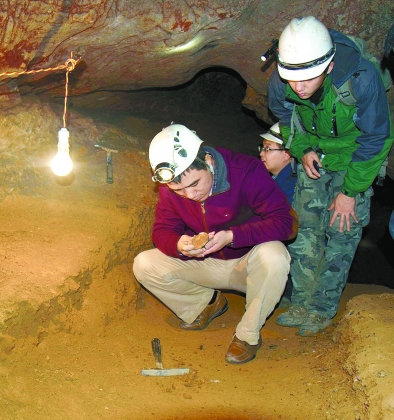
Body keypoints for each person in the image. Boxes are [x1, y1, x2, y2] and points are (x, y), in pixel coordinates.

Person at [267, 16, 394, 336]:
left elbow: (376, 138)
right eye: (293, 79)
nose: (298, 87)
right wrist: (302, 149)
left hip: (354, 160)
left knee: (341, 232)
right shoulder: (283, 79)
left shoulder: (362, 79)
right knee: (305, 231)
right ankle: (301, 300)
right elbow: (284, 116)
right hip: (315, 157)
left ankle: (322, 307)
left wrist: (350, 192)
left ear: (329, 65)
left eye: (307, 79)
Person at [133, 123, 298, 364]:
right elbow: (162, 231)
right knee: (144, 263)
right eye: (178, 190)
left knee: (275, 255)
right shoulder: (170, 191)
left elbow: (285, 223)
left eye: (194, 184)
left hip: (248, 263)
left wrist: (233, 236)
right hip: (205, 264)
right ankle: (205, 305)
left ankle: (247, 335)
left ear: (208, 161)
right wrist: (179, 244)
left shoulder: (245, 171)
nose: (190, 195)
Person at [259, 122, 298, 305]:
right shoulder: (277, 181)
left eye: (268, 149)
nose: (261, 153)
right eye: (262, 148)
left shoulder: (293, 184)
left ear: (287, 154)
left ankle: (288, 291)